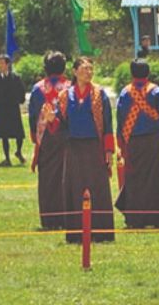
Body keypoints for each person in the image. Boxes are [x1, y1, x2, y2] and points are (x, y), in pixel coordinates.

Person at [42, 56, 114, 243]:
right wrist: (51, 119)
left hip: (94, 147)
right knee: (74, 188)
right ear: (75, 72)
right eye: (84, 69)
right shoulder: (65, 96)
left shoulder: (100, 94)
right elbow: (60, 124)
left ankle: (101, 232)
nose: (88, 72)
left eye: (90, 69)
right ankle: (76, 232)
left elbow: (107, 125)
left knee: (98, 189)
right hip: (73, 148)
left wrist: (108, 151)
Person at [114, 58, 159, 229]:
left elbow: (120, 119)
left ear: (131, 73)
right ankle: (158, 217)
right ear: (148, 73)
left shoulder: (125, 93)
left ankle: (135, 218)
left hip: (132, 141)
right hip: (153, 141)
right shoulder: (156, 92)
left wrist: (120, 142)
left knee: (134, 178)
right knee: (156, 177)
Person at [28, 51, 71, 229]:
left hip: (45, 136)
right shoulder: (70, 87)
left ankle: (49, 218)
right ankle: (66, 215)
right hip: (65, 136)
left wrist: (34, 134)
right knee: (65, 174)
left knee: (47, 177)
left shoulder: (38, 89)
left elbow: (32, 115)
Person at [0, 54, 25, 166]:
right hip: (1, 109)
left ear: (7, 64)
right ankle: (7, 158)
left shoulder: (15, 78)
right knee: (4, 135)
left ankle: (18, 151)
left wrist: (19, 100)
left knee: (19, 134)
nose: (0, 65)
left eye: (2, 63)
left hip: (13, 108)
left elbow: (21, 91)